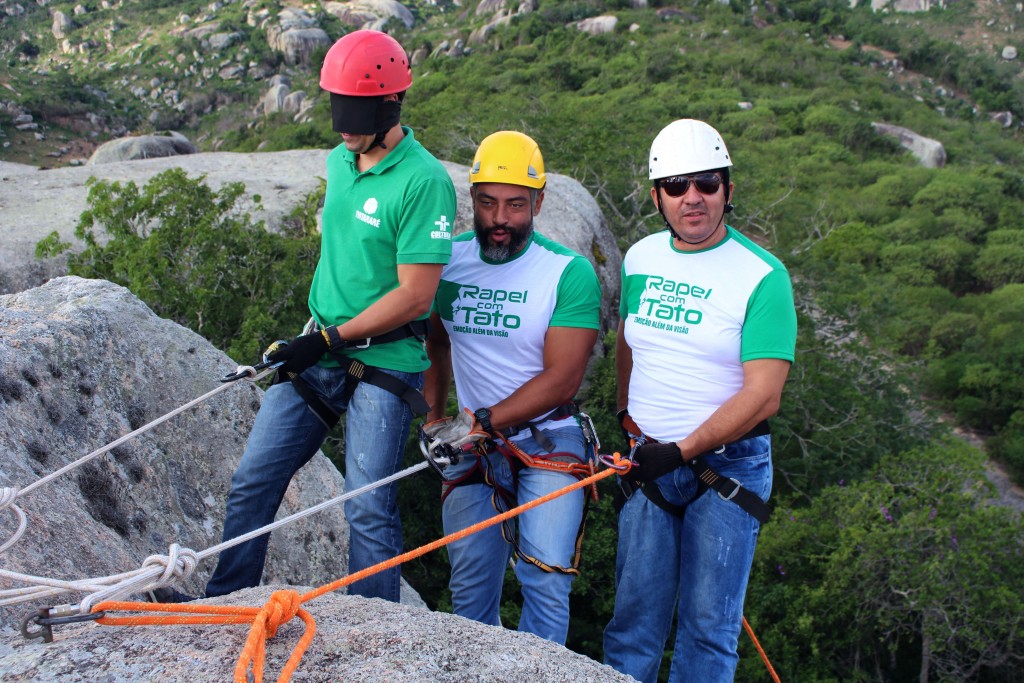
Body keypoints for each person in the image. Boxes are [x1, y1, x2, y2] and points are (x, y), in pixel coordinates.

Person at [202, 30, 456, 602]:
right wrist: (314, 336)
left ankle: (376, 633)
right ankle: (223, 600)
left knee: (367, 505)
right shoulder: (341, 160)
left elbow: (417, 296)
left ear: (392, 105)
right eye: (336, 108)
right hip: (320, 345)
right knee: (253, 480)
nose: (343, 125)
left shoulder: (425, 183)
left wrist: (332, 336)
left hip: (385, 358)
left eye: (355, 111)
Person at [602, 119, 797, 682]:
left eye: (708, 183)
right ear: (657, 196)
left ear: (728, 191)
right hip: (650, 458)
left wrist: (683, 449)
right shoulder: (640, 258)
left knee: (709, 631)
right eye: (677, 185)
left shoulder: (762, 277)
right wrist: (625, 412)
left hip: (726, 467)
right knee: (633, 621)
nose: (693, 197)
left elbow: (765, 395)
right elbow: (629, 339)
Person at [423, 131, 602, 644]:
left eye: (516, 205)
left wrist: (481, 422)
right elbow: (435, 342)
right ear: (472, 200)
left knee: (544, 579)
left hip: (547, 438)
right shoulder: (448, 262)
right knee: (470, 587)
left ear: (539, 202)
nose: (501, 218)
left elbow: (561, 378)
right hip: (469, 438)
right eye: (488, 203)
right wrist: (435, 415)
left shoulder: (567, 274)